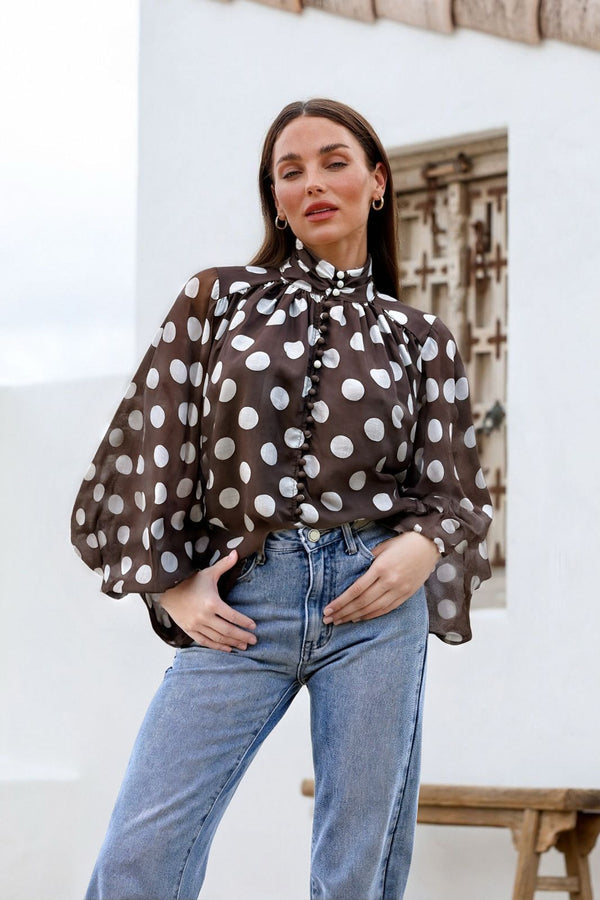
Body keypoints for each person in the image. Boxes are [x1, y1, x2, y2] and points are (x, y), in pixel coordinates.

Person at [72, 98, 492, 900]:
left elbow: (455, 487)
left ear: (376, 182)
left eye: (334, 161)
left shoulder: (421, 338)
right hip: (244, 603)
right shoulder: (218, 300)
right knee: (139, 857)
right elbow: (146, 447)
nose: (312, 183)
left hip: (374, 609)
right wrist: (173, 583)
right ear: (274, 197)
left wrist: (422, 544)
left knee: (354, 873)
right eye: (289, 172)